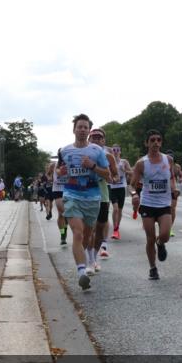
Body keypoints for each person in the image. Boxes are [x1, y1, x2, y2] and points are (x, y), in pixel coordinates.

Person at [57, 114, 111, 290]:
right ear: (74, 130)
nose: (82, 129)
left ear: (88, 131)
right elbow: (59, 172)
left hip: (93, 198)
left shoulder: (97, 151)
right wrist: (61, 172)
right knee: (78, 234)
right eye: (79, 126)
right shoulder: (65, 151)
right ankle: (81, 273)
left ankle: (87, 260)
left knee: (87, 236)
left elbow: (108, 175)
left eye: (85, 127)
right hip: (72, 196)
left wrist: (93, 166)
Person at [130, 129, 176, 280]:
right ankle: (153, 268)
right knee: (150, 238)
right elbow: (132, 185)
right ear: (147, 143)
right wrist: (134, 194)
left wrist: (174, 189)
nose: (156, 142)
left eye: (158, 140)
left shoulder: (168, 160)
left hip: (164, 204)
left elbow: (172, 177)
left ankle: (160, 243)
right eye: (152, 140)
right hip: (148, 204)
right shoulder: (141, 164)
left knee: (165, 235)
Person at [87, 128, 118, 268]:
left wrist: (112, 179)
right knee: (90, 229)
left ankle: (94, 256)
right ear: (89, 139)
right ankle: (89, 259)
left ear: (104, 141)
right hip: (86, 194)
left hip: (103, 195)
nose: (96, 140)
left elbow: (115, 175)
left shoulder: (109, 156)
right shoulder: (84, 154)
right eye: (93, 137)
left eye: (99, 138)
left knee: (99, 228)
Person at [109, 145, 131, 240]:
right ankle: (115, 229)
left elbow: (132, 172)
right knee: (115, 209)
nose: (116, 151)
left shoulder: (124, 162)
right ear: (111, 152)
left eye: (118, 150)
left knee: (120, 210)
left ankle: (117, 228)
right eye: (114, 150)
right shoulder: (109, 162)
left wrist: (124, 170)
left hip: (121, 188)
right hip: (112, 188)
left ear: (120, 152)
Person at [49, 156, 68, 244]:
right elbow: (50, 175)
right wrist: (50, 175)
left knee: (66, 214)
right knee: (61, 213)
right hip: (57, 190)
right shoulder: (54, 165)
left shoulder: (70, 163)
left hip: (68, 190)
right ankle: (63, 235)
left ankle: (65, 226)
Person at [167, 150, 182, 236]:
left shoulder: (177, 167)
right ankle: (164, 225)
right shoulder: (162, 166)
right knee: (165, 209)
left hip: (174, 190)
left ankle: (169, 228)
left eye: (171, 156)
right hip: (164, 191)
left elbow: (181, 175)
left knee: (172, 209)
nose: (170, 158)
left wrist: (181, 179)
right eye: (168, 156)